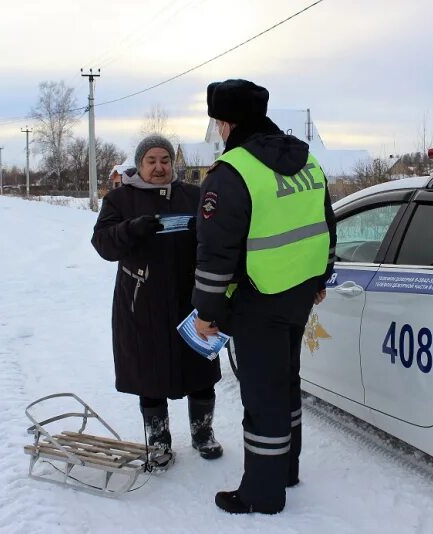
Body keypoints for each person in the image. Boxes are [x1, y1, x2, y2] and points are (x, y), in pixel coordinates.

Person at [192, 79, 336, 514]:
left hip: (258, 300)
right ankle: (285, 469)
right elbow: (326, 223)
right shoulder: (306, 160)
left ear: (225, 122)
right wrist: (320, 280)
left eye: (217, 122)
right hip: (298, 295)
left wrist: (206, 312)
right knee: (285, 385)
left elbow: (215, 254)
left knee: (262, 395)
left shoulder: (233, 171)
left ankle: (261, 493)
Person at [91, 134, 223, 469]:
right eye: (151, 161)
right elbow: (103, 244)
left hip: (191, 300)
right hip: (142, 303)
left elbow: (216, 237)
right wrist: (132, 229)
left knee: (201, 371)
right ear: (140, 164)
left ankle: (202, 433)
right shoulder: (120, 199)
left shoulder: (193, 195)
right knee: (148, 376)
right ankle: (159, 442)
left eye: (165, 160)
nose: (159, 167)